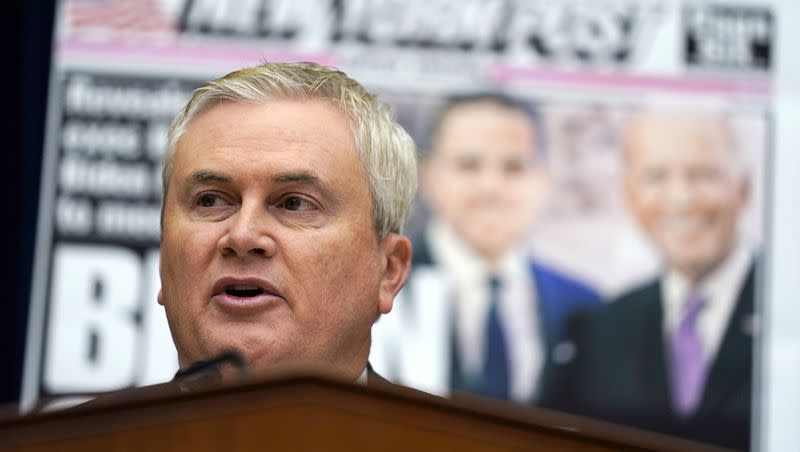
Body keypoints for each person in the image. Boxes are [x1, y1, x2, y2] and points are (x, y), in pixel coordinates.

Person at [150, 61, 418, 386]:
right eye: (211, 200)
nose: (242, 235)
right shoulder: (79, 437)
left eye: (295, 204)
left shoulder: (449, 439)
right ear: (164, 256)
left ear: (388, 271)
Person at [539, 110, 757, 450]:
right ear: (630, 196)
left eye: (703, 174)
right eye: (656, 177)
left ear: (743, 188)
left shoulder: (785, 307)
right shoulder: (600, 330)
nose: (682, 199)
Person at [370, 94, 599, 404]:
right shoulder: (376, 294)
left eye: (514, 166)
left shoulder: (585, 309)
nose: (490, 186)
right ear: (429, 177)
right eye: (468, 165)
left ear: (544, 179)